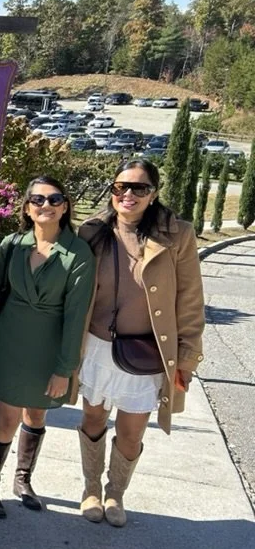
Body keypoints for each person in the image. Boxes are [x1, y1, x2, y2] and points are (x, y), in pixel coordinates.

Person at [76, 159, 205, 527]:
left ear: (154, 193)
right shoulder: (93, 231)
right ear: (112, 190)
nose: (128, 195)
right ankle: (91, 490)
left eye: (138, 188)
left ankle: (116, 492)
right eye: (121, 187)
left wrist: (186, 358)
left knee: (131, 432)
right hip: (98, 346)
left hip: (145, 351)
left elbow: (190, 299)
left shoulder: (177, 235)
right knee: (93, 417)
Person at [0, 176, 95, 518]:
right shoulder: (13, 244)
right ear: (27, 208)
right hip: (11, 340)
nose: (46, 205)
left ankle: (23, 479)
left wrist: (64, 368)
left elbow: (76, 318)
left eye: (55, 199)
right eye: (38, 200)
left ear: (65, 206)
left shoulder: (78, 253)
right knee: (8, 417)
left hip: (49, 345)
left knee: (37, 412)